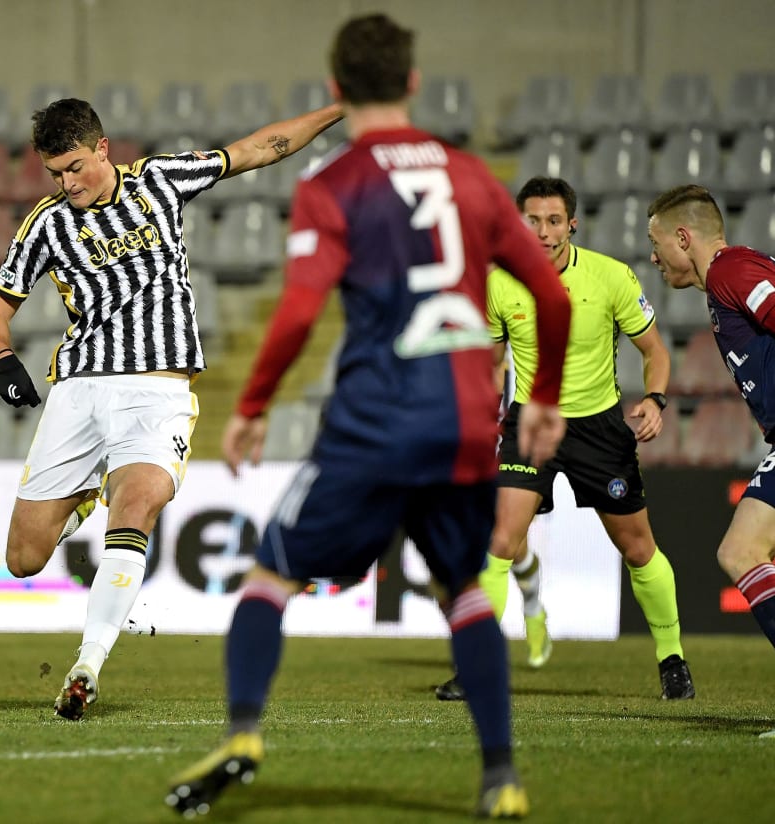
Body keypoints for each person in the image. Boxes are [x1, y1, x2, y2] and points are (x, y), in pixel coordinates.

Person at [164, 14, 571, 821]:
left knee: (271, 573)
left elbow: (298, 313)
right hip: (461, 423)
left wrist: (251, 407)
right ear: (415, 84)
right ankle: (502, 780)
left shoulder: (333, 185)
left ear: (336, 91)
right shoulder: (473, 177)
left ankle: (244, 732)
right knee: (465, 592)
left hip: (373, 424)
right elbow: (551, 298)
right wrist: (547, 400)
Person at [0, 96, 344, 721]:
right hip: (80, 390)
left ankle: (87, 665)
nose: (67, 185)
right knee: (23, 560)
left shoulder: (159, 181)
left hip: (158, 391)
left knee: (139, 503)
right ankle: (89, 493)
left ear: (102, 148)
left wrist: (341, 109)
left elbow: (259, 146)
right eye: (54, 174)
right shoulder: (45, 224)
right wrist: (3, 361)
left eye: (74, 168)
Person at [435, 177, 696, 702]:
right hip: (530, 423)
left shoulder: (611, 277)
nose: (543, 231)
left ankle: (673, 662)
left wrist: (656, 399)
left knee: (638, 548)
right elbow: (489, 362)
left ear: (571, 224)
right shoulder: (498, 282)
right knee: (499, 541)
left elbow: (655, 352)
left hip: (600, 429)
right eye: (532, 220)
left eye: (554, 221)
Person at [647, 185, 775, 705]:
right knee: (743, 550)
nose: (653, 256)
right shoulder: (727, 281)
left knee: (741, 550)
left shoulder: (729, 271)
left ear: (684, 237)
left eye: (657, 243)